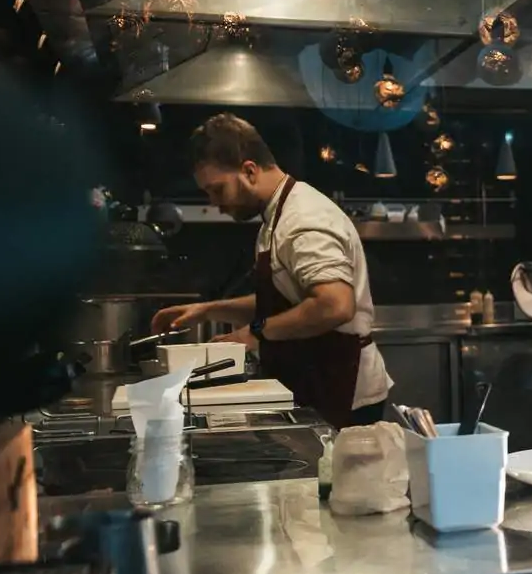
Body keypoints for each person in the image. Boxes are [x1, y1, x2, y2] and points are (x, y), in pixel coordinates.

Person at [149, 114, 393, 429]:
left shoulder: (303, 219)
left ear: (249, 170)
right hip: (316, 377)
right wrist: (207, 311)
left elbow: (334, 305)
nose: (215, 203)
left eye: (218, 189)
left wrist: (254, 332)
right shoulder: (277, 214)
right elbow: (287, 301)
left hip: (342, 386)